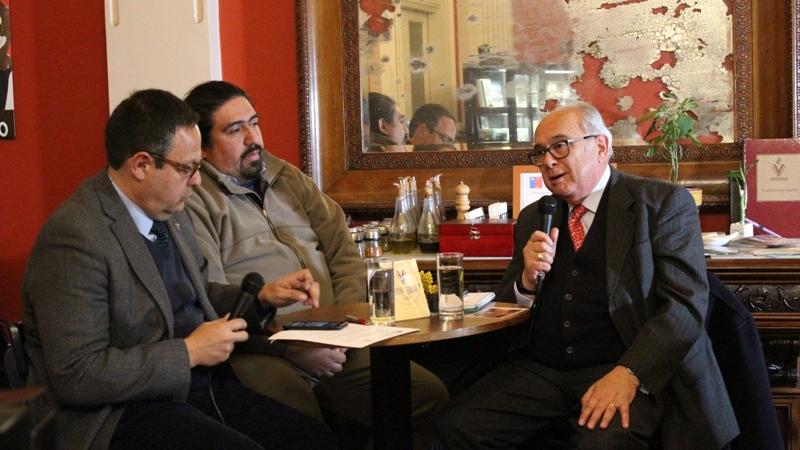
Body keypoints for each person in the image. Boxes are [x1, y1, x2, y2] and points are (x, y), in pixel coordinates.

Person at [21, 89, 336, 450]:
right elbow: (76, 374)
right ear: (141, 165)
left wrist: (262, 297)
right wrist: (188, 352)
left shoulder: (170, 211)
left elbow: (198, 295)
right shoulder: (75, 237)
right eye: (187, 169)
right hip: (117, 412)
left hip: (191, 389)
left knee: (313, 440)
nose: (198, 181)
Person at [435, 102, 739, 449]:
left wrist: (630, 373)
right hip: (544, 370)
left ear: (601, 146)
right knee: (457, 425)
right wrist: (526, 284)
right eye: (540, 152)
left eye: (561, 146)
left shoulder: (661, 204)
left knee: (603, 443)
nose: (548, 161)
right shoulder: (536, 216)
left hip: (624, 364)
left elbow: (684, 307)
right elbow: (508, 305)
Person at [183, 81, 447, 436]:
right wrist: (288, 347)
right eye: (235, 130)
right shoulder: (195, 200)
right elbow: (211, 301)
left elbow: (343, 248)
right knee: (303, 428)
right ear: (202, 146)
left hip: (337, 336)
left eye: (254, 122)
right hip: (264, 350)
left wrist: (346, 325)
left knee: (427, 395)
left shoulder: (284, 175)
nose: (253, 138)